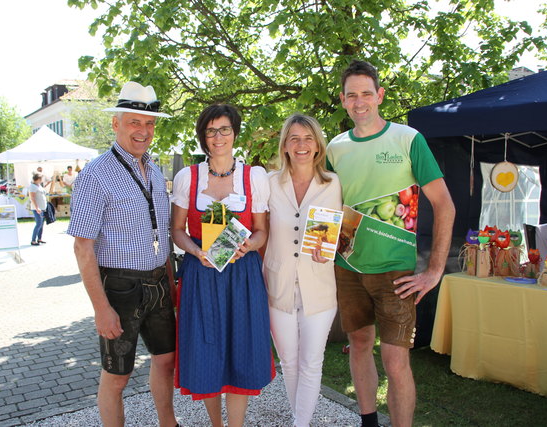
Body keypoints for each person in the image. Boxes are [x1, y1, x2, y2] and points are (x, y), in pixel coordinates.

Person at [325, 60, 455, 427]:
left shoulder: (408, 139)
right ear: (343, 100)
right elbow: (329, 207)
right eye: (352, 95)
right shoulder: (335, 148)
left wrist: (434, 271)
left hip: (395, 272)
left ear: (379, 96)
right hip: (347, 267)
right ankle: (368, 421)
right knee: (360, 346)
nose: (359, 101)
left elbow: (444, 205)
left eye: (367, 93)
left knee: (396, 363)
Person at [67, 81, 178, 427]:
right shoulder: (96, 174)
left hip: (159, 283)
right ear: (115, 124)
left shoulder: (155, 170)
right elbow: (82, 246)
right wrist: (101, 309)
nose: (143, 131)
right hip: (120, 289)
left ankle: (168, 424)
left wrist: (170, 282)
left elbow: (164, 233)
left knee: (166, 361)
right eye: (134, 122)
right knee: (117, 376)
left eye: (149, 123)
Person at [171, 104, 273, 427]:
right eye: (211, 130)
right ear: (203, 136)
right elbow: (176, 230)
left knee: (241, 352)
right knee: (206, 354)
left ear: (235, 133)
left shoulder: (253, 177)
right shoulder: (188, 177)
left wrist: (248, 246)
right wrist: (195, 250)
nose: (218, 137)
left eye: (225, 129)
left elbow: (262, 232)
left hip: (242, 277)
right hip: (201, 275)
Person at [263, 114, 342, 427]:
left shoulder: (333, 183)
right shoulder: (269, 183)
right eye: (294, 138)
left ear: (318, 145)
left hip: (320, 287)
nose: (301, 145)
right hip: (277, 286)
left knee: (311, 363)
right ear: (284, 145)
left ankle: (300, 423)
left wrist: (333, 245)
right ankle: (300, 419)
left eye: (308, 138)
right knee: (289, 362)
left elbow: (342, 229)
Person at [29, 172, 48, 246]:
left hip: (42, 207)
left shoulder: (39, 186)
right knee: (38, 224)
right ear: (38, 179)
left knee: (41, 224)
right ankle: (33, 240)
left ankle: (39, 238)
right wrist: (37, 207)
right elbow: (32, 198)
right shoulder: (32, 186)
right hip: (37, 208)